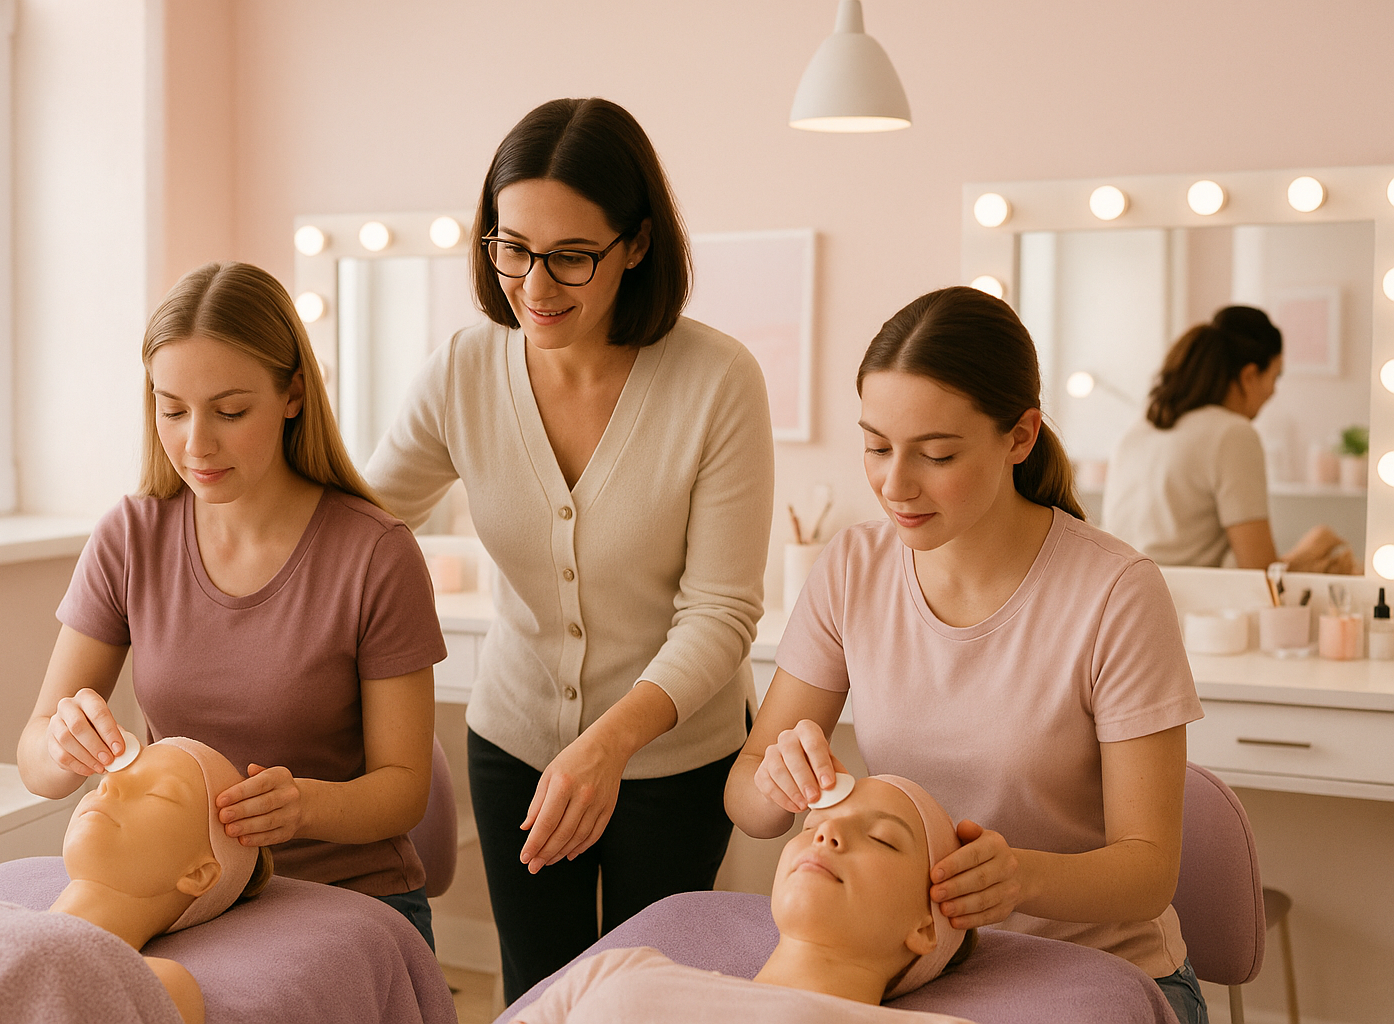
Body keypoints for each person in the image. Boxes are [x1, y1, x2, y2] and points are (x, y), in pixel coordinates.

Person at [363, 97, 775, 1003]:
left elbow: (721, 613)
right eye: (511, 248)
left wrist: (607, 744)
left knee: (652, 999)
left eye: (571, 257)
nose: (535, 287)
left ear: (636, 244)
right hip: (513, 743)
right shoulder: (463, 371)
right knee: (538, 994)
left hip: (674, 757)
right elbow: (359, 517)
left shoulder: (717, 382)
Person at [724, 286, 1210, 1024]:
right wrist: (779, 783)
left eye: (937, 454)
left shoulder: (1116, 592)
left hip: (1101, 974)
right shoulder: (852, 567)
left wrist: (1019, 880)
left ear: (1019, 437)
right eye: (876, 447)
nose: (895, 485)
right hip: (917, 967)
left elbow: (1149, 872)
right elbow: (748, 798)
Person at [16, 261, 446, 948]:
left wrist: (304, 805)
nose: (196, 444)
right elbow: (35, 758)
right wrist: (63, 746)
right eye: (172, 408)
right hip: (187, 897)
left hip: (345, 897)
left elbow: (403, 789)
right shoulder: (131, 537)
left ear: (294, 395)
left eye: (230, 411)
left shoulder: (374, 554)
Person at [0, 738, 273, 1024]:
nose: (110, 783)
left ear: (197, 874)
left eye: (161, 793)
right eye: (113, 774)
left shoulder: (163, 983)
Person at [514, 775, 976, 1024]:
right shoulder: (621, 967)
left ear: (926, 927)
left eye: (882, 839)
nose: (827, 832)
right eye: (812, 825)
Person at [1104, 305, 1355, 572]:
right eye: (1275, 376)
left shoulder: (1137, 431)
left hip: (1128, 603)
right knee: (1324, 540)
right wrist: (1309, 553)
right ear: (1249, 376)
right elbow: (1257, 572)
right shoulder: (1232, 434)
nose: (1273, 391)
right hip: (1190, 608)